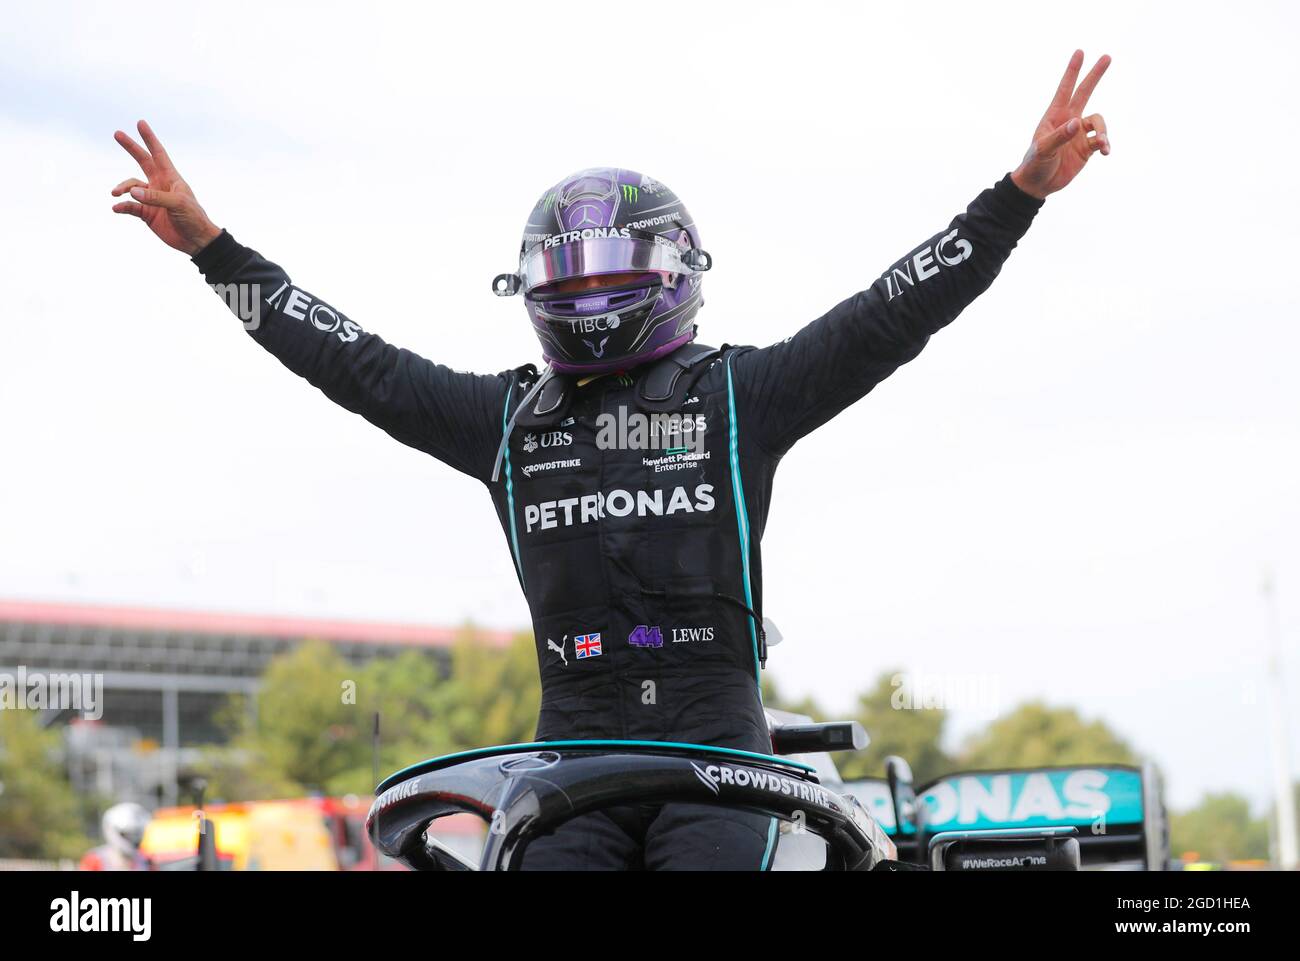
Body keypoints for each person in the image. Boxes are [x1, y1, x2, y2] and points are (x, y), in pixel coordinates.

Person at [111, 51, 1110, 870]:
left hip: (721, 758)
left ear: (669, 275)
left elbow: (893, 311)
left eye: (610, 275)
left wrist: (1016, 194)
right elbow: (346, 360)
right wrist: (213, 250)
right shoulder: (504, 419)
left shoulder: (738, 396)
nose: (586, 294)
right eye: (568, 277)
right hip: (569, 766)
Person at [80, 802, 153, 871]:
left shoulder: (146, 861)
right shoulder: (95, 859)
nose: (132, 839)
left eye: (135, 834)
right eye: (126, 834)